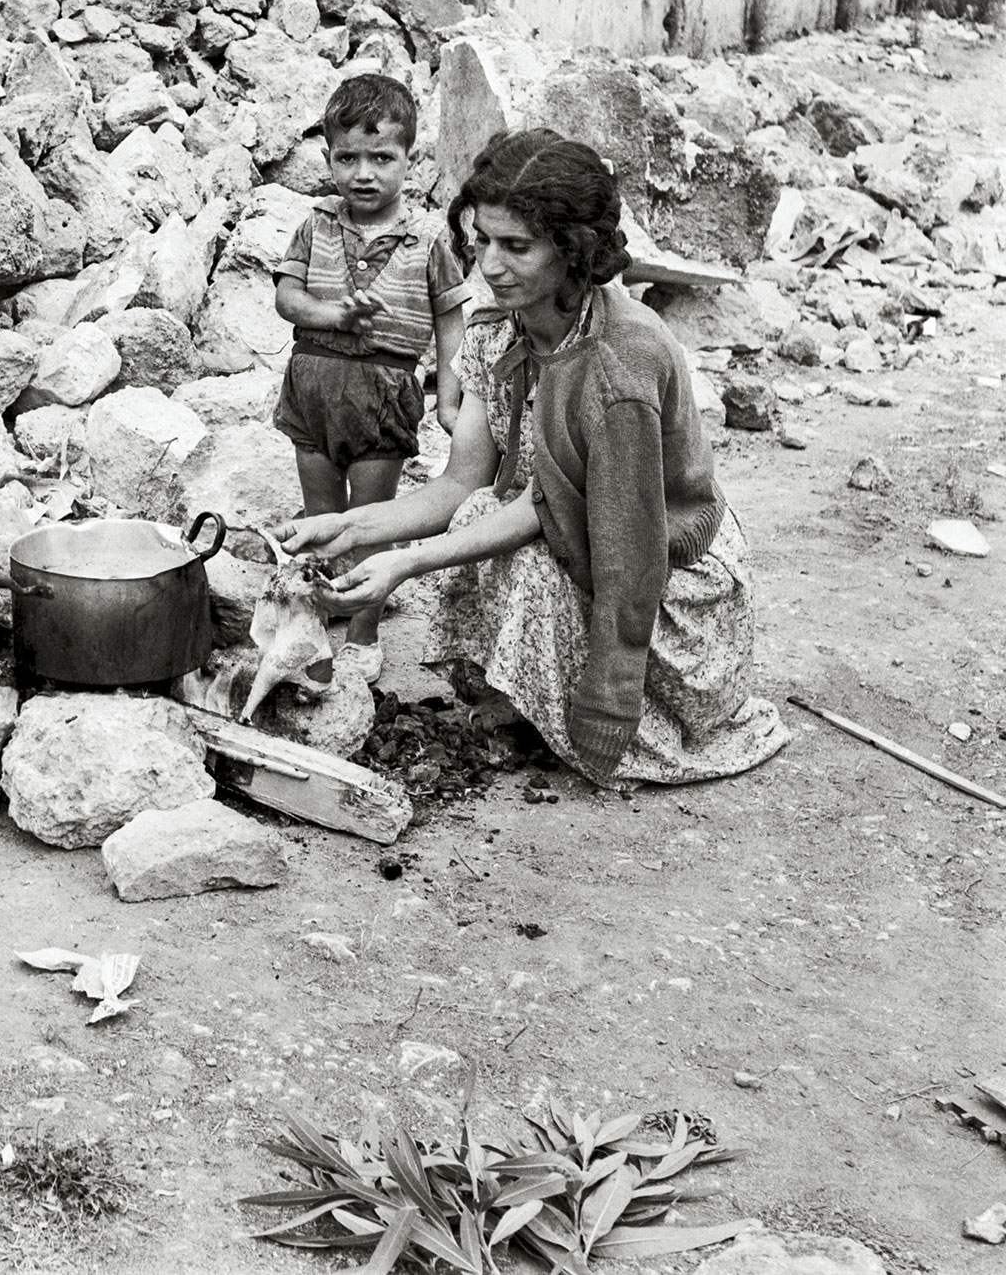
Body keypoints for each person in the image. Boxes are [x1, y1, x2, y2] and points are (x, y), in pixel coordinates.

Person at [278, 128, 787, 786]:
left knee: (523, 559)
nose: (489, 265)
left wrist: (403, 563)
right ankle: (529, 698)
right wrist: (343, 528)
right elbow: (460, 483)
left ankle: (615, 722)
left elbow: (599, 542)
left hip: (661, 575)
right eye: (483, 239)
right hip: (577, 532)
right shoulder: (504, 330)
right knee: (476, 519)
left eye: (516, 246)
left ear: (574, 253)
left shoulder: (619, 366)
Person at [270, 73, 471, 643]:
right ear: (329, 158)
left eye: (381, 157)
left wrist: (450, 400)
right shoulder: (316, 224)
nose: (363, 173)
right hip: (310, 387)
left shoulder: (429, 239)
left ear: (411, 159)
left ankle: (363, 635)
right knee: (319, 518)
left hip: (383, 396)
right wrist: (333, 316)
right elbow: (287, 298)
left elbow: (450, 323)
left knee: (369, 522)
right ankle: (317, 617)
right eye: (347, 157)